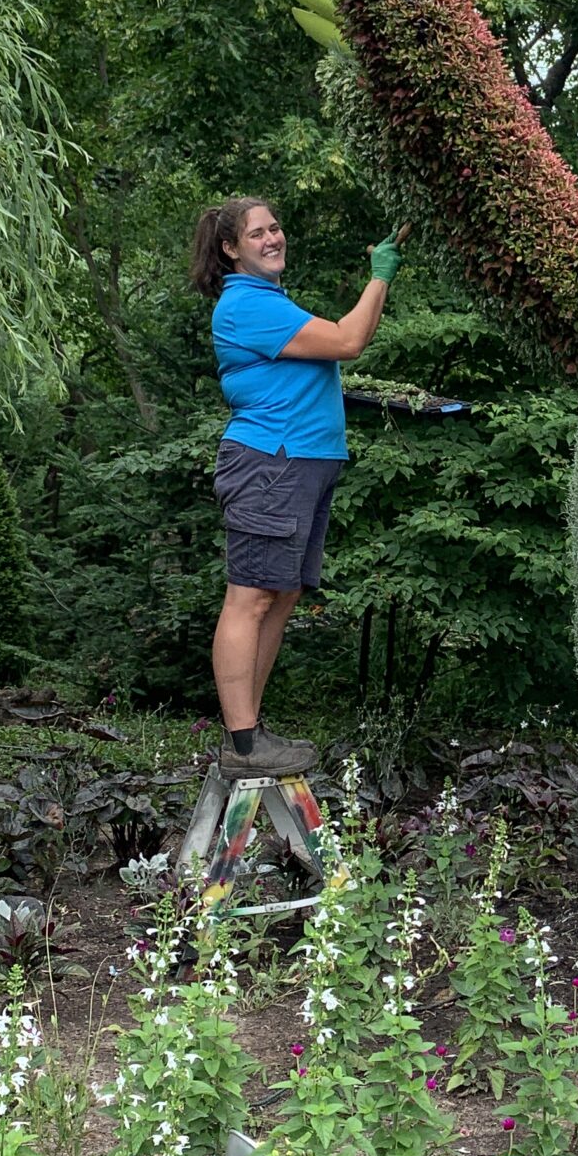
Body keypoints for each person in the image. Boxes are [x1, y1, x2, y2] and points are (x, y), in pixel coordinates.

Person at [190, 196, 404, 779]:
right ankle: (242, 741)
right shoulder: (245, 305)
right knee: (251, 596)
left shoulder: (271, 302)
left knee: (280, 596)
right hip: (270, 463)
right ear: (231, 249)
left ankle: (251, 730)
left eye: (276, 228)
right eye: (257, 233)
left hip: (301, 464)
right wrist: (379, 277)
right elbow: (347, 340)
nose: (272, 238)